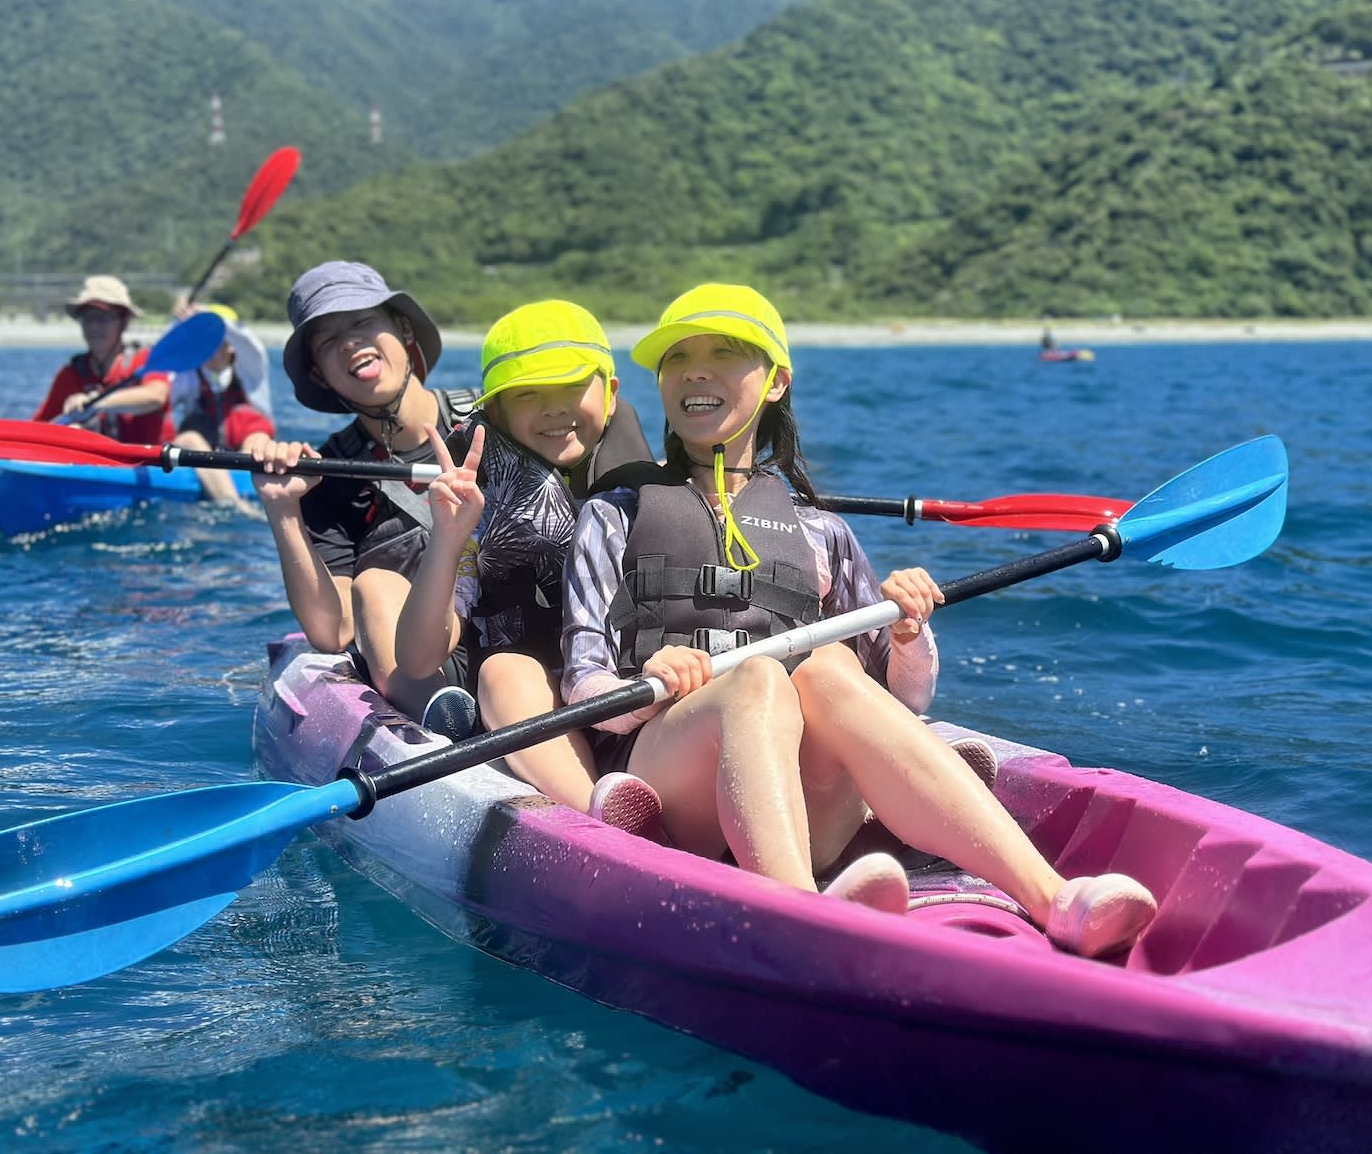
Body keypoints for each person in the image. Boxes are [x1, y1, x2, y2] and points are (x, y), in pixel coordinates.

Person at [560, 283, 1158, 956]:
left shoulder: (821, 533)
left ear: (777, 381)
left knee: (831, 663)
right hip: (678, 790)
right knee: (757, 678)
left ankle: (1054, 897)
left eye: (724, 353)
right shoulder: (615, 515)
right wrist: (646, 684)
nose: (696, 371)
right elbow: (582, 682)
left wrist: (907, 633)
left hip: (805, 805)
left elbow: (902, 700)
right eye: (678, 358)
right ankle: (798, 913)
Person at [394, 299, 652, 814]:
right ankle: (607, 823)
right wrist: (448, 538)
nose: (554, 409)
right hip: (536, 709)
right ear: (495, 412)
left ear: (611, 393)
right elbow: (418, 660)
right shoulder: (479, 509)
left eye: (572, 388)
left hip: (638, 697)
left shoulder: (661, 489)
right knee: (504, 672)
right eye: (529, 394)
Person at [242, 261, 480, 717]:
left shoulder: (494, 422)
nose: (350, 342)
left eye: (362, 321)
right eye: (328, 340)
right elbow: (333, 631)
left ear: (404, 331)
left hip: (514, 647)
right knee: (373, 585)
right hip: (428, 680)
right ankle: (447, 724)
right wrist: (283, 507)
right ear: (319, 374)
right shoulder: (329, 475)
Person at [32, 275, 175, 443]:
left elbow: (156, 396)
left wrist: (96, 403)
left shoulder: (146, 361)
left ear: (124, 322)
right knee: (73, 430)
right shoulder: (69, 374)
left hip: (150, 457)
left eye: (103, 318)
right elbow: (40, 426)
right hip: (94, 458)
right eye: (88, 318)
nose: (94, 326)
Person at [168, 301, 276, 511]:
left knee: (257, 440)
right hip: (202, 445)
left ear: (231, 344)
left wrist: (206, 317)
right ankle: (234, 503)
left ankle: (239, 494)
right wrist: (181, 324)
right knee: (187, 438)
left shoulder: (252, 371)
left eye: (219, 341)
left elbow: (249, 343)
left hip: (248, 443)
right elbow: (167, 359)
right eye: (206, 341)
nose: (213, 350)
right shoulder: (186, 374)